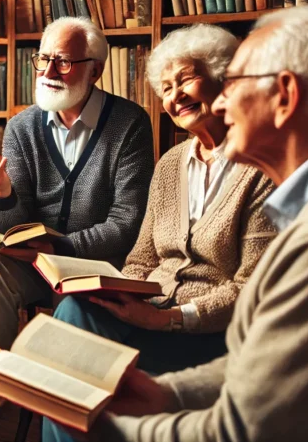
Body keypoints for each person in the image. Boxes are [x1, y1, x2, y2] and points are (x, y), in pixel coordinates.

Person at [89, 5, 308, 441]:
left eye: (234, 82)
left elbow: (241, 430)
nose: (222, 100)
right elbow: (265, 356)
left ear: (284, 96)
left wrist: (111, 429)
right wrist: (167, 394)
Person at [41, 25, 277, 441]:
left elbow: (252, 289)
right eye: (166, 88)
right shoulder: (171, 163)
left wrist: (166, 319)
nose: (175, 96)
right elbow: (143, 259)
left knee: (75, 374)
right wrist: (121, 291)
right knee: (73, 317)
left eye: (186, 79)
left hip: (209, 332)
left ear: (225, 78)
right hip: (147, 311)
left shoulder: (262, 169)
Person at [0, 17, 154, 350]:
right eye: (44, 59)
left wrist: (62, 248)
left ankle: (55, 390)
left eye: (62, 62)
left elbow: (128, 222)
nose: (48, 72)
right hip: (38, 262)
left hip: (97, 262)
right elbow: (13, 226)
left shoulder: (130, 123)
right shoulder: (22, 126)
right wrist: (2, 191)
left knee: (74, 307)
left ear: (95, 71)